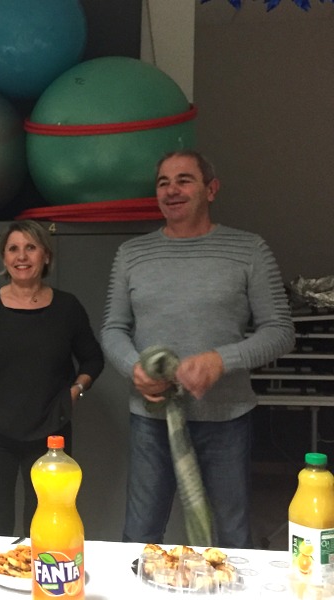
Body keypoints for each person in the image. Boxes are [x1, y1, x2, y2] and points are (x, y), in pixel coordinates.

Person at [100, 150, 295, 548]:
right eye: (163, 183)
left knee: (232, 538)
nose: (172, 190)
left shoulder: (249, 249)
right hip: (152, 419)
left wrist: (222, 359)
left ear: (211, 189)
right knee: (140, 536)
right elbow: (113, 328)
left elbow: (280, 331)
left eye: (184, 180)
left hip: (226, 418)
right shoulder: (132, 254)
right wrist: (134, 367)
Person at [0, 220, 104, 536]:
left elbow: (93, 359)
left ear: (46, 256)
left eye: (31, 247)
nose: (22, 256)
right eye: (13, 249)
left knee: (46, 524)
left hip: (50, 436)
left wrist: (75, 390)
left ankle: (40, 571)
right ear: (4, 257)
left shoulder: (67, 307)